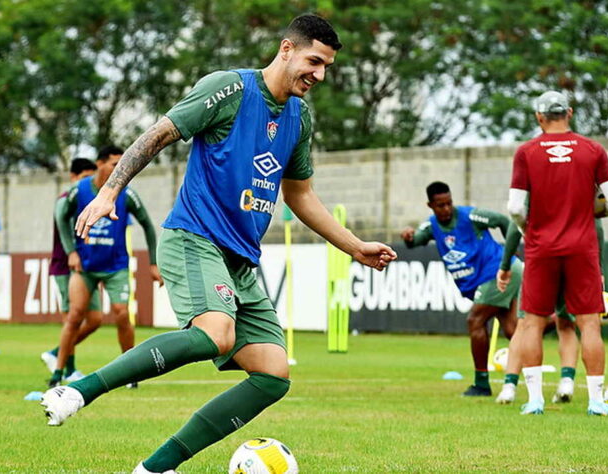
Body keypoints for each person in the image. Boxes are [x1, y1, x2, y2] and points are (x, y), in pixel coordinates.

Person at [39, 14, 396, 474]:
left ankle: (155, 468)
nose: (319, 74)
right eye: (314, 61)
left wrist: (353, 246)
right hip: (194, 237)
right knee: (215, 333)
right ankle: (77, 389)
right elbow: (159, 134)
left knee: (273, 373)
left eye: (326, 66)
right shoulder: (229, 89)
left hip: (240, 261)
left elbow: (301, 194)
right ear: (286, 49)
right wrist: (111, 191)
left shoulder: (300, 118)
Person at [503, 90, 608, 416]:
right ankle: (597, 401)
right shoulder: (593, 150)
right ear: (569, 113)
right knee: (589, 324)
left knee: (531, 323)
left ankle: (535, 400)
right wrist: (594, 214)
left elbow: (515, 207)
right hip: (582, 246)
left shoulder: (526, 152)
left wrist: (530, 230)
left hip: (541, 247)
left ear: (539, 117)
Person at [46, 145, 163, 388]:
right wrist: (71, 253)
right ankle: (58, 374)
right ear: (100, 164)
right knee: (75, 316)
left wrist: (153, 263)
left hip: (116, 267)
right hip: (85, 267)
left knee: (121, 314)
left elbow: (148, 225)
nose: (119, 168)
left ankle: (130, 372)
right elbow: (61, 216)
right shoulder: (79, 191)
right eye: (114, 163)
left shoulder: (126, 193)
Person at [400, 181, 521, 397]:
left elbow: (505, 221)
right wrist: (408, 237)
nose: (446, 209)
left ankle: (481, 384)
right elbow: (416, 240)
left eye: (449, 203)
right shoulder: (431, 226)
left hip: (496, 273)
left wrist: (508, 255)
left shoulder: (471, 216)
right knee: (514, 330)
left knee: (475, 321)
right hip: (489, 277)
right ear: (430, 205)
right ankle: (558, 321)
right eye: (440, 205)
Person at [495, 218, 605, 405]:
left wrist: (505, 265)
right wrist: (599, 266)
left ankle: (512, 389)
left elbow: (515, 221)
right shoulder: (582, 188)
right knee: (574, 324)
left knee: (526, 326)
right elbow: (598, 224)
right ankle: (570, 384)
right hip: (575, 258)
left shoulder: (536, 188)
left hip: (541, 257)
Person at [40, 158, 103, 383]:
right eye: (84, 176)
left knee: (95, 319)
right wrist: (70, 253)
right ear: (73, 177)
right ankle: (69, 370)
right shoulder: (67, 198)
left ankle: (56, 353)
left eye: (91, 176)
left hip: (87, 267)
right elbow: (62, 223)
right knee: (72, 318)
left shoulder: (92, 198)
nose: (88, 181)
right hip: (65, 266)